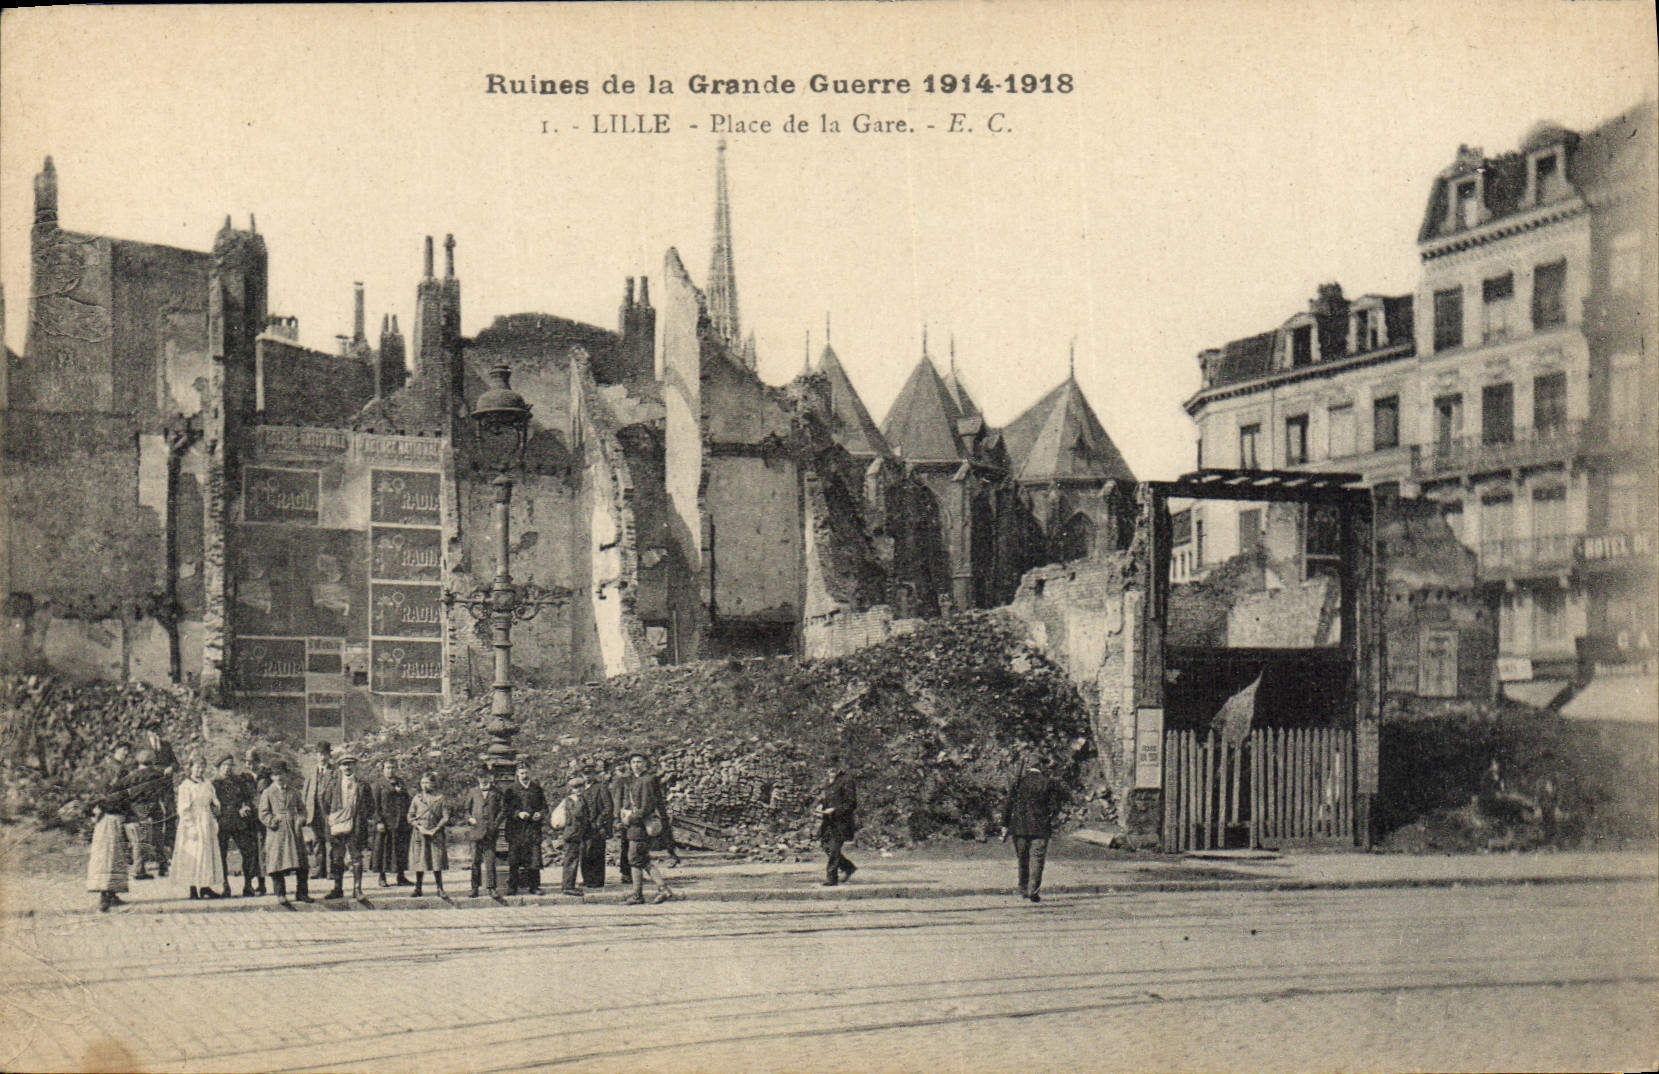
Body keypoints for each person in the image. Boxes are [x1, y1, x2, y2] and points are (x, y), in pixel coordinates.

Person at [1000, 751, 1061, 903]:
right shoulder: (1047, 782)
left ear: (1028, 765)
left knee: (1023, 858)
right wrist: (1050, 819)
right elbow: (1054, 806)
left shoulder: (1019, 782)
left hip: (1020, 827)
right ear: (1041, 765)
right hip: (1040, 828)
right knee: (1037, 859)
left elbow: (1008, 804)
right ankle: (1033, 889)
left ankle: (1023, 888)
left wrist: (1004, 824)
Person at [619, 753, 675, 905]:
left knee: (635, 859)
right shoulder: (637, 780)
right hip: (635, 826)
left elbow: (646, 807)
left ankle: (640, 895)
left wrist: (630, 818)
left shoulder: (647, 780)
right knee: (641, 860)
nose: (636, 765)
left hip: (640, 827)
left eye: (639, 762)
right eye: (633, 762)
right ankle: (660, 890)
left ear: (645, 764)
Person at [320, 752, 377, 899]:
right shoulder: (333, 784)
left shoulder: (363, 785)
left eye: (350, 764)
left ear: (355, 766)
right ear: (339, 767)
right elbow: (325, 802)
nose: (347, 767)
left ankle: (357, 889)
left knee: (356, 856)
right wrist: (334, 816)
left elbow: (370, 805)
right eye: (344, 764)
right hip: (337, 824)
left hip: (356, 824)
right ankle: (337, 888)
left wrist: (362, 817)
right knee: (337, 856)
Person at [258, 764, 312, 907]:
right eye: (276, 775)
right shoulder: (268, 793)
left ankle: (302, 892)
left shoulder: (294, 792)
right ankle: (280, 894)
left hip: (294, 831)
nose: (279, 778)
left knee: (301, 863)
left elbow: (302, 810)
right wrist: (272, 821)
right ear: (271, 777)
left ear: (287, 775)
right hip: (277, 833)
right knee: (277, 863)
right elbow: (263, 813)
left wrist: (301, 819)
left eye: (282, 774)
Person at [87, 765, 138, 912]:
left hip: (116, 823)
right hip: (108, 825)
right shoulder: (110, 793)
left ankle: (112, 894)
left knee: (116, 858)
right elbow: (103, 805)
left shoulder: (121, 793)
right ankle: (104, 897)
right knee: (106, 859)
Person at [172, 758, 226, 899]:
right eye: (197, 767)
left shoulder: (207, 784)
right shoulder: (186, 786)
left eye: (202, 767)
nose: (200, 770)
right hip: (194, 822)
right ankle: (193, 888)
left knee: (207, 854)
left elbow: (213, 800)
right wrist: (190, 826)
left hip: (206, 820)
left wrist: (215, 808)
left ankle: (205, 886)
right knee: (194, 854)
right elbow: (183, 808)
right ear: (191, 768)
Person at [214, 755, 260, 897]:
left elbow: (248, 798)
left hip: (239, 822)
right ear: (219, 767)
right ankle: (225, 885)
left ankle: (248, 884)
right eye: (225, 765)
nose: (228, 768)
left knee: (249, 852)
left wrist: (245, 806)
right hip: (222, 822)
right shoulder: (213, 784)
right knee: (221, 855)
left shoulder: (239, 781)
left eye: (230, 765)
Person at [503, 761, 548, 895]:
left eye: (526, 772)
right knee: (514, 860)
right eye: (521, 773)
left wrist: (539, 814)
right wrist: (518, 814)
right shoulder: (511, 790)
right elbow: (505, 809)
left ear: (530, 772)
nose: (524, 775)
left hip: (533, 830)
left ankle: (534, 886)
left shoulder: (536, 788)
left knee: (534, 859)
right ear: (517, 774)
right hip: (516, 830)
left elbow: (544, 807)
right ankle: (513, 887)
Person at [407, 771, 450, 897]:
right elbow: (410, 816)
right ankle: (418, 888)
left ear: (433, 783)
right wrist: (419, 827)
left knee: (437, 861)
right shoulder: (417, 798)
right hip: (420, 834)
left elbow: (445, 817)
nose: (424, 785)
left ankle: (440, 888)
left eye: (427, 782)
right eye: (422, 782)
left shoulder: (440, 799)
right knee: (420, 861)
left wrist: (436, 828)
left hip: (435, 834)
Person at [461, 768, 503, 898]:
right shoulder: (473, 792)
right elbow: (466, 810)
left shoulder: (496, 792)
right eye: (480, 777)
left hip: (490, 831)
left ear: (490, 777)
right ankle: (474, 888)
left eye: (485, 777)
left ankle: (492, 888)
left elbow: (503, 810)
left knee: (490, 861)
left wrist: (495, 824)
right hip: (476, 831)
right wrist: (470, 819)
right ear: (477, 779)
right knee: (475, 860)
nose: (483, 780)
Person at [817, 756, 858, 887]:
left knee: (834, 848)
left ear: (839, 766)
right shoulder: (828, 782)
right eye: (828, 768)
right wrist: (821, 806)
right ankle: (848, 867)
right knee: (825, 845)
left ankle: (831, 878)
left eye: (833, 767)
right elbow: (826, 799)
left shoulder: (846, 780)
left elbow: (851, 803)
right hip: (828, 821)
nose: (830, 770)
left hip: (842, 821)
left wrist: (834, 810)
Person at [372, 761, 413, 887]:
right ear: (383, 769)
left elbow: (407, 800)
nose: (390, 770)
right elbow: (374, 805)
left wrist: (401, 792)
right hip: (386, 823)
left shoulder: (401, 782)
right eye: (388, 768)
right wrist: (379, 821)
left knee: (400, 850)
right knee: (383, 850)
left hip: (401, 822)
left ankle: (401, 877)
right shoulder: (378, 784)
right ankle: (382, 877)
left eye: (393, 768)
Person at [301, 741, 335, 881]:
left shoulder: (335, 772)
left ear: (329, 755)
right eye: (320, 754)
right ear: (316, 755)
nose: (322, 757)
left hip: (329, 811)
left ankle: (331, 870)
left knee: (331, 841)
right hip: (314, 811)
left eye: (325, 754)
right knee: (316, 841)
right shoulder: (311, 771)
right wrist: (304, 810)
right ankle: (318, 869)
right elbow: (305, 792)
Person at [578, 765, 614, 889]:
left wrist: (600, 820)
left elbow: (608, 807)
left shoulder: (601, 787)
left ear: (594, 775)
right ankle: (587, 879)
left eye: (590, 773)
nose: (587, 776)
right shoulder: (580, 789)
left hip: (597, 827)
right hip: (584, 827)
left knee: (597, 853)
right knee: (584, 853)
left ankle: (597, 881)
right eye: (584, 774)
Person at [555, 773, 590, 898]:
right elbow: (576, 815)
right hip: (572, 834)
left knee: (573, 859)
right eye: (576, 788)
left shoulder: (579, 800)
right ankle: (567, 886)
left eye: (581, 787)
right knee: (571, 860)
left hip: (577, 833)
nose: (579, 790)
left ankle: (569, 885)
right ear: (572, 789)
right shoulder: (571, 801)